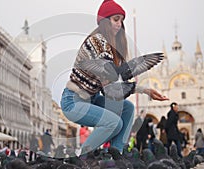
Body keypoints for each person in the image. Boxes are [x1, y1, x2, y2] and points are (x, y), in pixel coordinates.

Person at [60, 0, 168, 154]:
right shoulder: (97, 42)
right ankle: (81, 157)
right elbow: (111, 89)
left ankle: (117, 155)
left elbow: (113, 84)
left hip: (92, 99)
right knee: (113, 122)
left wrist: (144, 89)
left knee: (128, 108)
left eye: (122, 21)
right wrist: (144, 90)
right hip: (73, 101)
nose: (119, 24)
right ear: (105, 21)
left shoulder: (110, 48)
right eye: (116, 19)